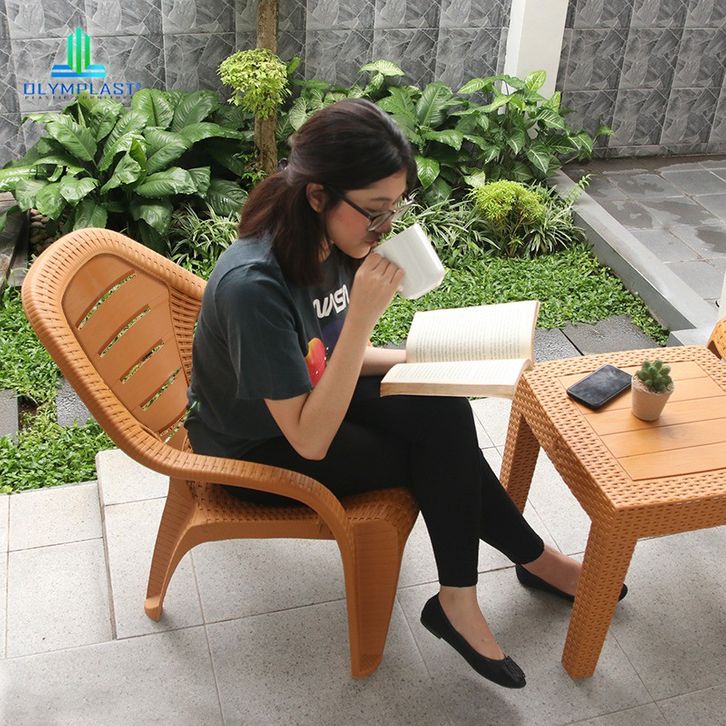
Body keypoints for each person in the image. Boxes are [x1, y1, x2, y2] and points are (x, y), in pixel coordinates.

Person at [185, 98, 624, 689]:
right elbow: (309, 439)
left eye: (394, 208)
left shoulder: (333, 241)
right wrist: (364, 318)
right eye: (374, 211)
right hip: (256, 446)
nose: (385, 228)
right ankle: (491, 584)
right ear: (317, 195)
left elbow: (327, 358)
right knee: (437, 455)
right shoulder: (254, 287)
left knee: (442, 409)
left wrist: (429, 355)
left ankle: (503, 576)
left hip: (311, 396)